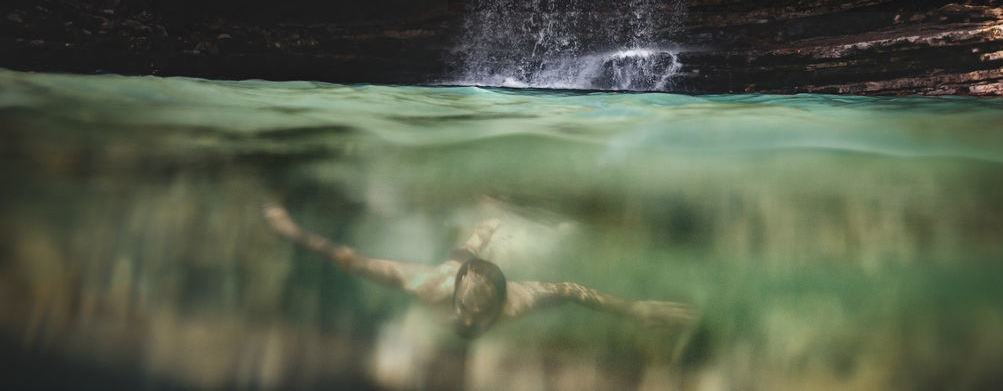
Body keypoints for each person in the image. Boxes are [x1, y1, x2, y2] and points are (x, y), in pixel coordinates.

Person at [262, 203, 697, 339]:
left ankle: (487, 225)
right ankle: (486, 223)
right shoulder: (436, 285)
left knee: (475, 239)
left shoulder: (504, 299)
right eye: (471, 309)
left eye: (480, 312)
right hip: (454, 271)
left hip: (457, 269)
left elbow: (567, 289)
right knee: (472, 241)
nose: (470, 320)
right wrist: (292, 231)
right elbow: (350, 259)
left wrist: (632, 310)